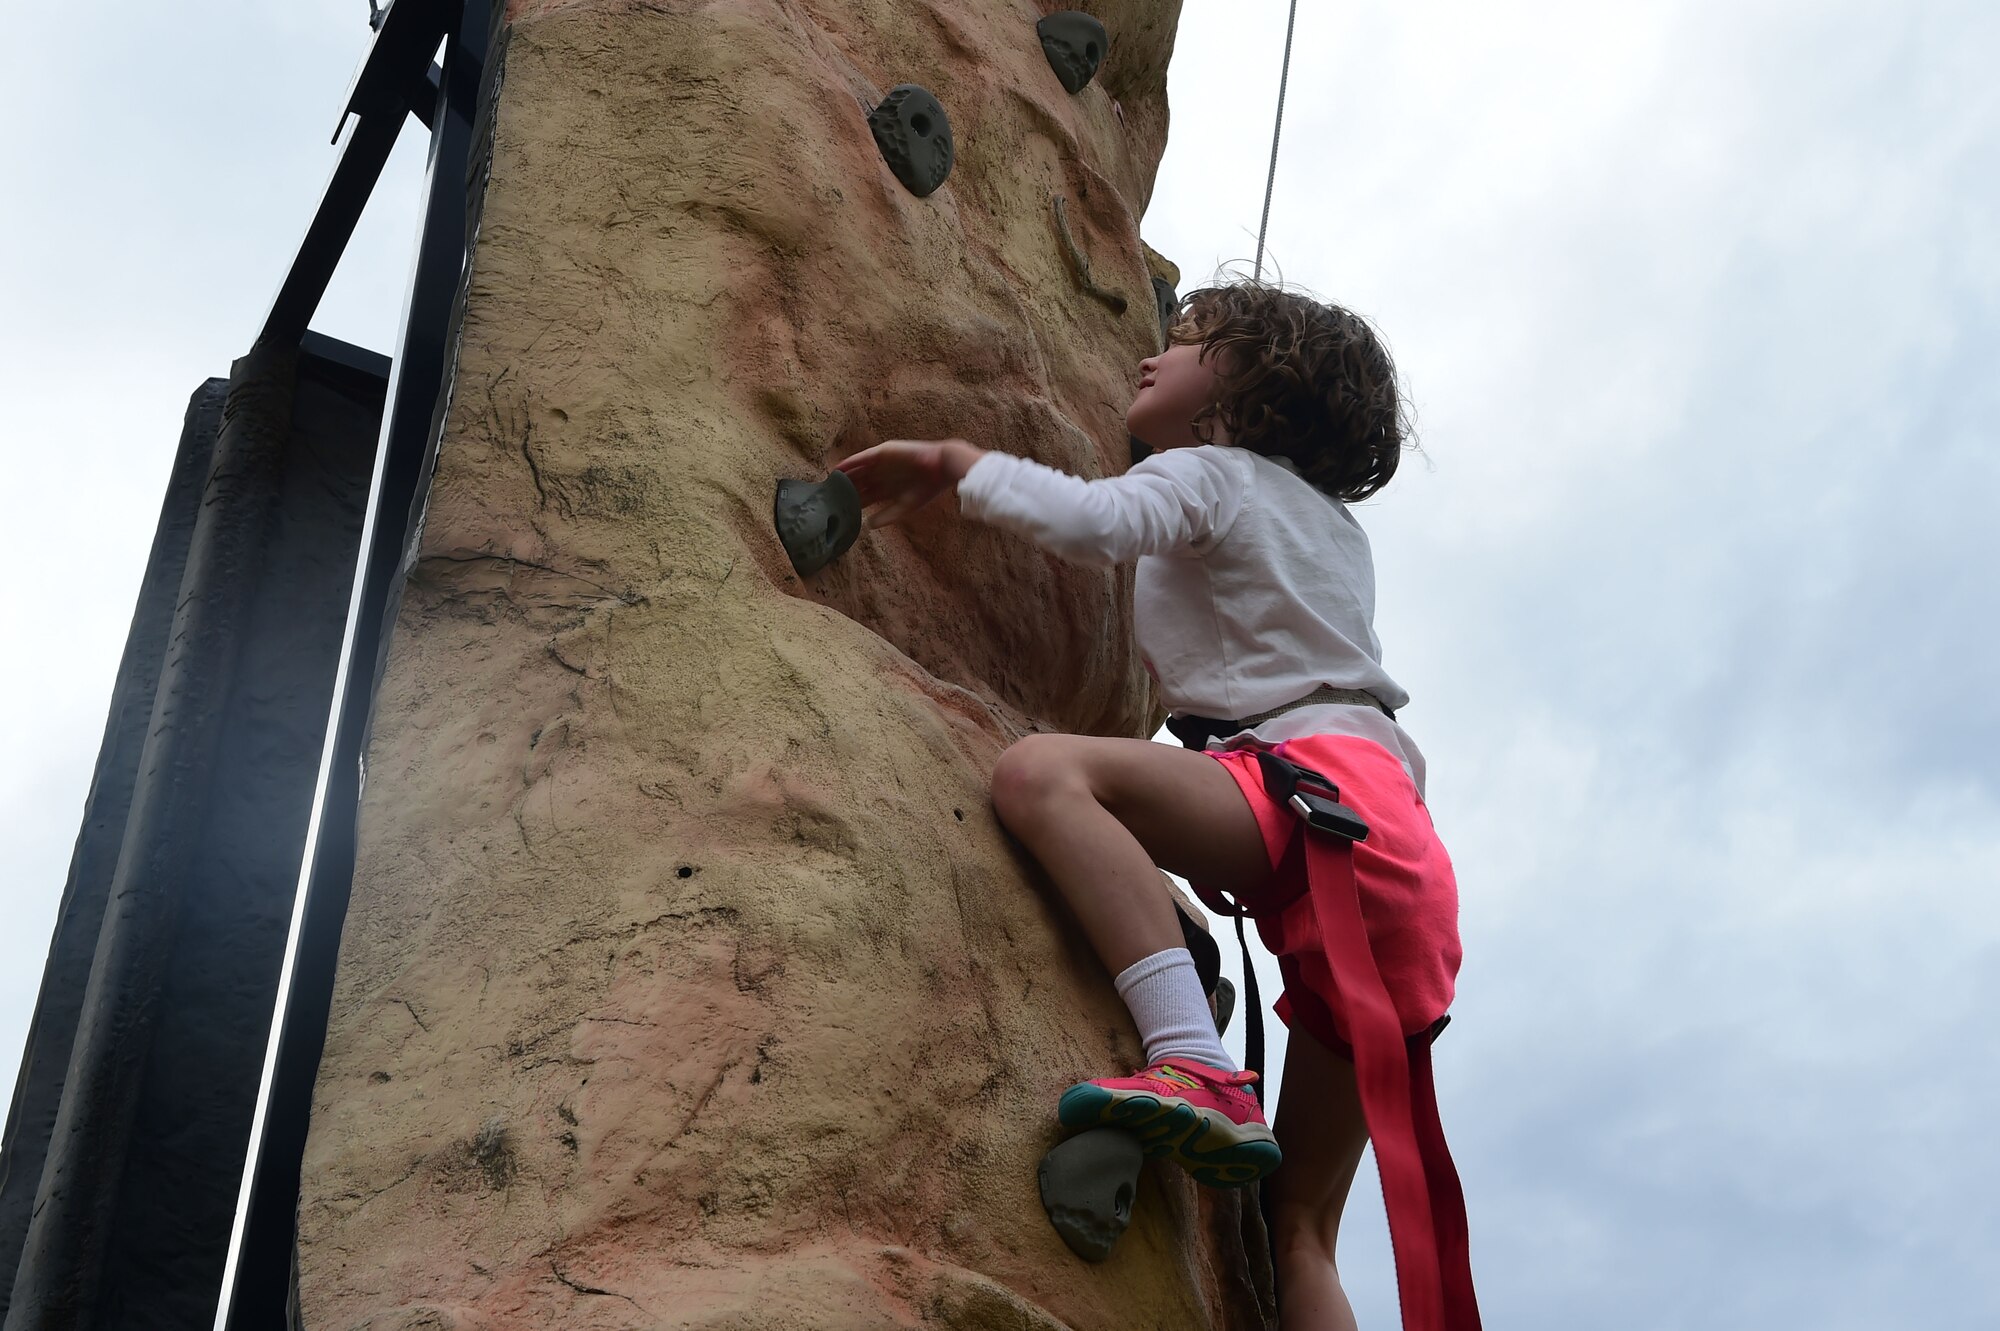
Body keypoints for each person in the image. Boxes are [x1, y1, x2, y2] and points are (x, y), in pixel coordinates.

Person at [836, 281, 1472, 1331]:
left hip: (1314, 800)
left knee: (1040, 772)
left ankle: (1188, 1054)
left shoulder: (1210, 472)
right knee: (1297, 1225)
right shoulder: (1335, 536)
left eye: (1181, 344)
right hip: (1401, 857)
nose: (1148, 358)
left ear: (1239, 385)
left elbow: (1095, 522)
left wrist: (958, 466)